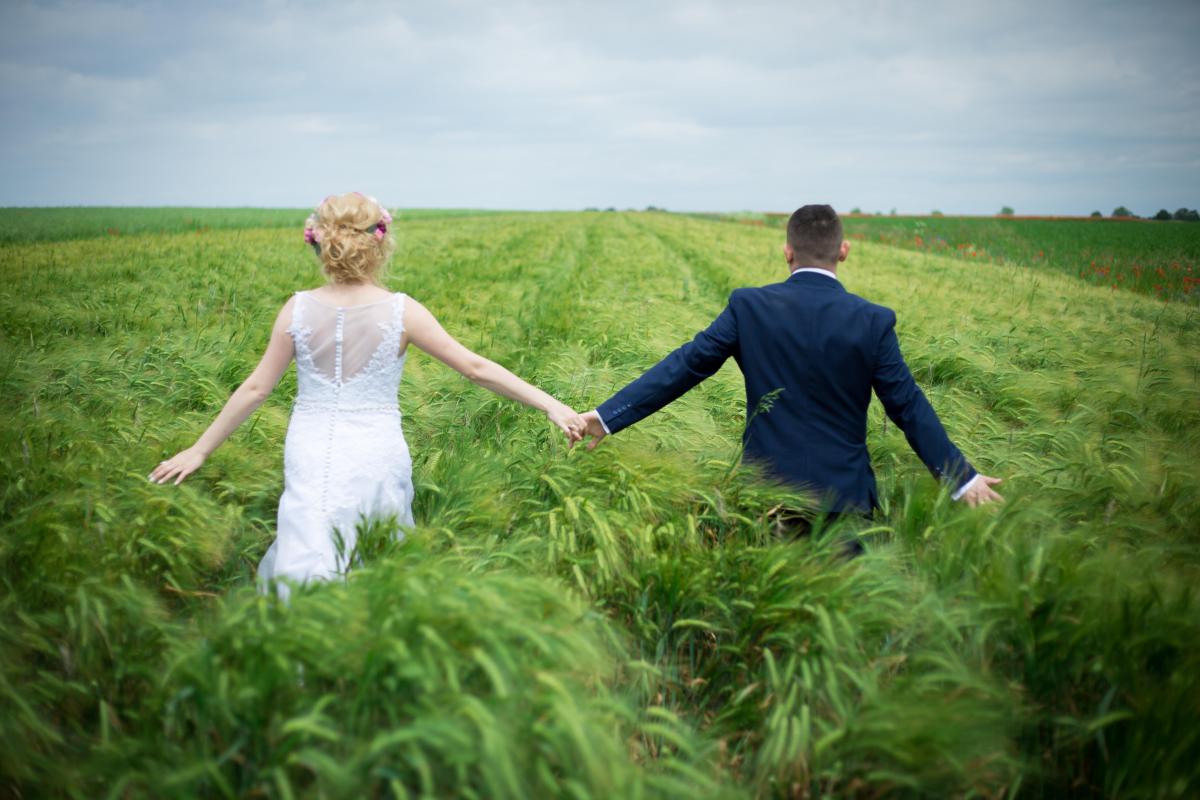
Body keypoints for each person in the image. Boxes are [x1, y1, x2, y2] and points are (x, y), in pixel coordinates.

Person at [149, 193, 584, 597]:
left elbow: (257, 387)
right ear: (381, 244)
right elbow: (475, 368)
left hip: (312, 444)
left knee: (309, 539)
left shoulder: (296, 308)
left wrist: (199, 450)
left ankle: (298, 641)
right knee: (378, 545)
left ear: (318, 243)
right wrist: (553, 405)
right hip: (376, 446)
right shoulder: (401, 311)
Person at [577, 204, 1002, 539]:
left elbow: (686, 366)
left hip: (766, 493)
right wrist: (960, 478)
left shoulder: (749, 306)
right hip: (846, 497)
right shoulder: (873, 321)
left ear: (787, 251)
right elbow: (907, 405)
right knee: (845, 624)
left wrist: (608, 417)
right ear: (843, 250)